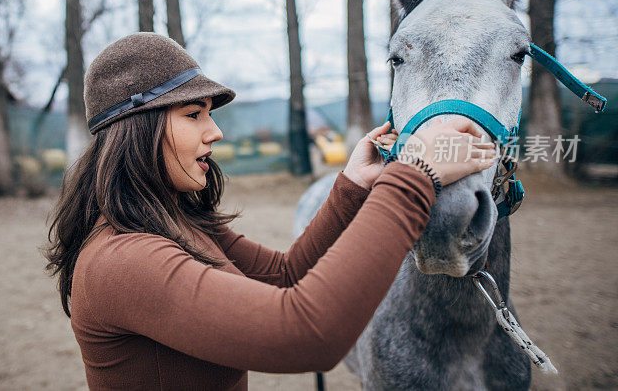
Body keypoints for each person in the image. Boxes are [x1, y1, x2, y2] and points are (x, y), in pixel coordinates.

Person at [44, 32, 497, 390]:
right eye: (193, 115)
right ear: (136, 131)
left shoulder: (173, 221)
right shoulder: (122, 261)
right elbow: (306, 333)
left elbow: (285, 276)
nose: (215, 131)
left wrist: (355, 186)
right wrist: (413, 178)